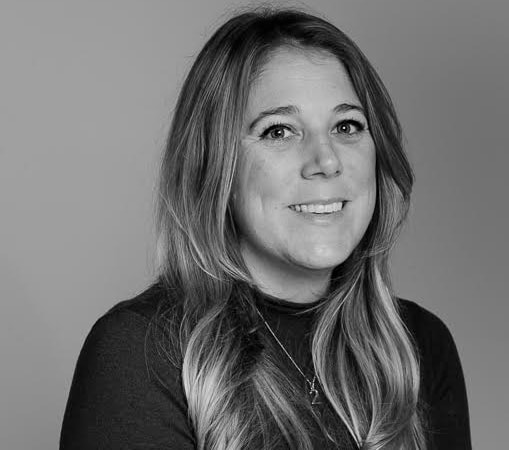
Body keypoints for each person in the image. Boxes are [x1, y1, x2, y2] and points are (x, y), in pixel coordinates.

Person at [59, 7, 472, 450]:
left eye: (347, 125)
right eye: (279, 131)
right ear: (215, 166)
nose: (326, 161)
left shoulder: (420, 347)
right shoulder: (140, 352)